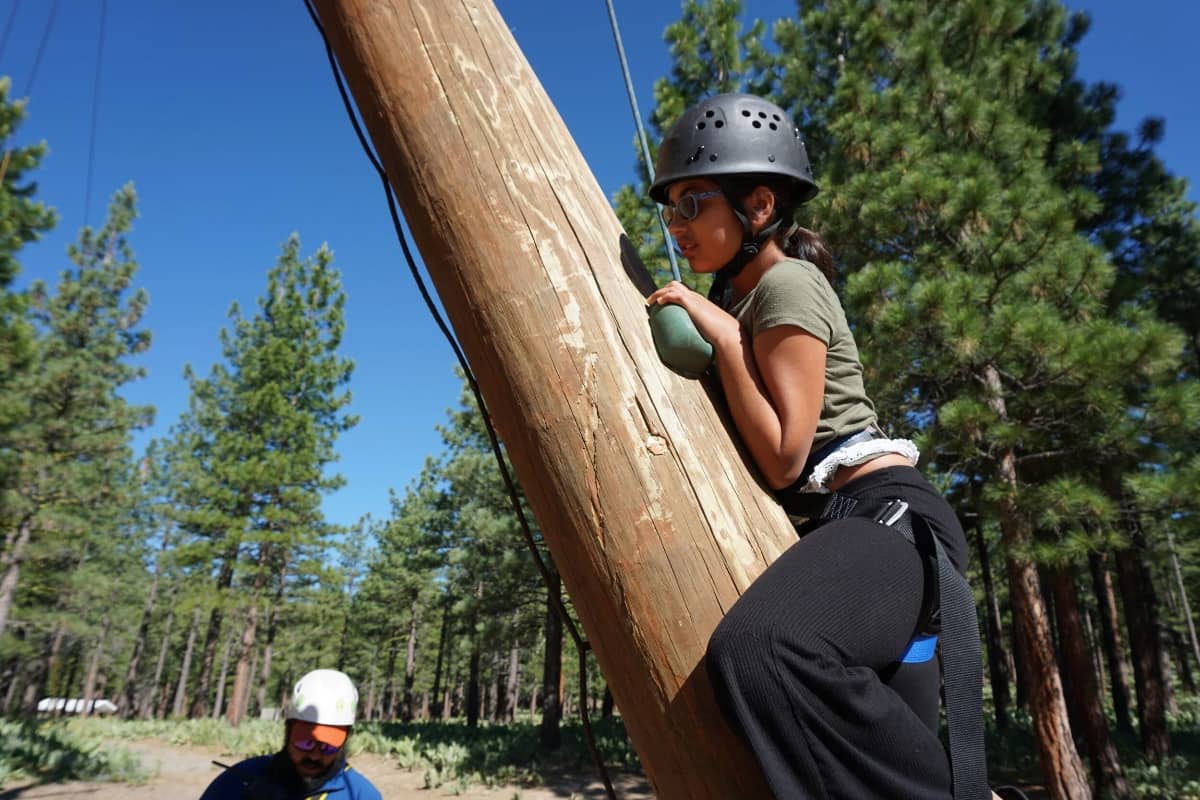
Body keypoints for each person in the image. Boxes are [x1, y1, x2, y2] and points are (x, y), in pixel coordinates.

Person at [646, 93, 989, 799]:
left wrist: (725, 337)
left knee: (764, 648)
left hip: (885, 518)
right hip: (846, 534)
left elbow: (785, 456)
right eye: (670, 208)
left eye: (694, 203)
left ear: (760, 206)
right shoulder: (742, 298)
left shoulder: (786, 285)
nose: (677, 224)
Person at [199, 668, 382, 800]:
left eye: (328, 746)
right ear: (288, 731)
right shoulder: (239, 780)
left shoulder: (361, 794)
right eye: (305, 743)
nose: (314, 755)